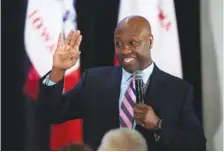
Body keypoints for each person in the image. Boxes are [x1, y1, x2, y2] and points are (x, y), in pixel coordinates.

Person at [38, 15, 206, 150]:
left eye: (132, 43)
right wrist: (58, 70)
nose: (125, 50)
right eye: (119, 44)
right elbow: (53, 113)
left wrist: (158, 124)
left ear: (150, 41)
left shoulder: (178, 90)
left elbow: (197, 145)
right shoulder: (94, 81)